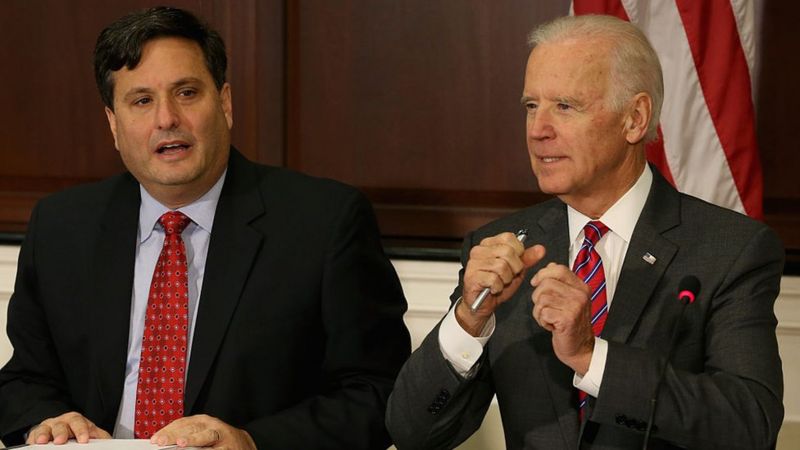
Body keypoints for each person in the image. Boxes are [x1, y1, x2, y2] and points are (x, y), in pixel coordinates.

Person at [0, 6, 410, 450]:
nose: (166, 119)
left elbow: (376, 392)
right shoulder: (62, 226)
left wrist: (252, 441)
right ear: (113, 125)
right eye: (141, 101)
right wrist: (48, 422)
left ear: (226, 103)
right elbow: (24, 379)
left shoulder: (324, 221)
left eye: (187, 92)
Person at [386, 14, 784, 450]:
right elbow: (413, 433)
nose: (538, 130)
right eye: (531, 106)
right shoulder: (504, 248)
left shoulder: (728, 249)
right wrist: (470, 318)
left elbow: (749, 425)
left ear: (634, 118)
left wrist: (591, 358)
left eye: (565, 106)